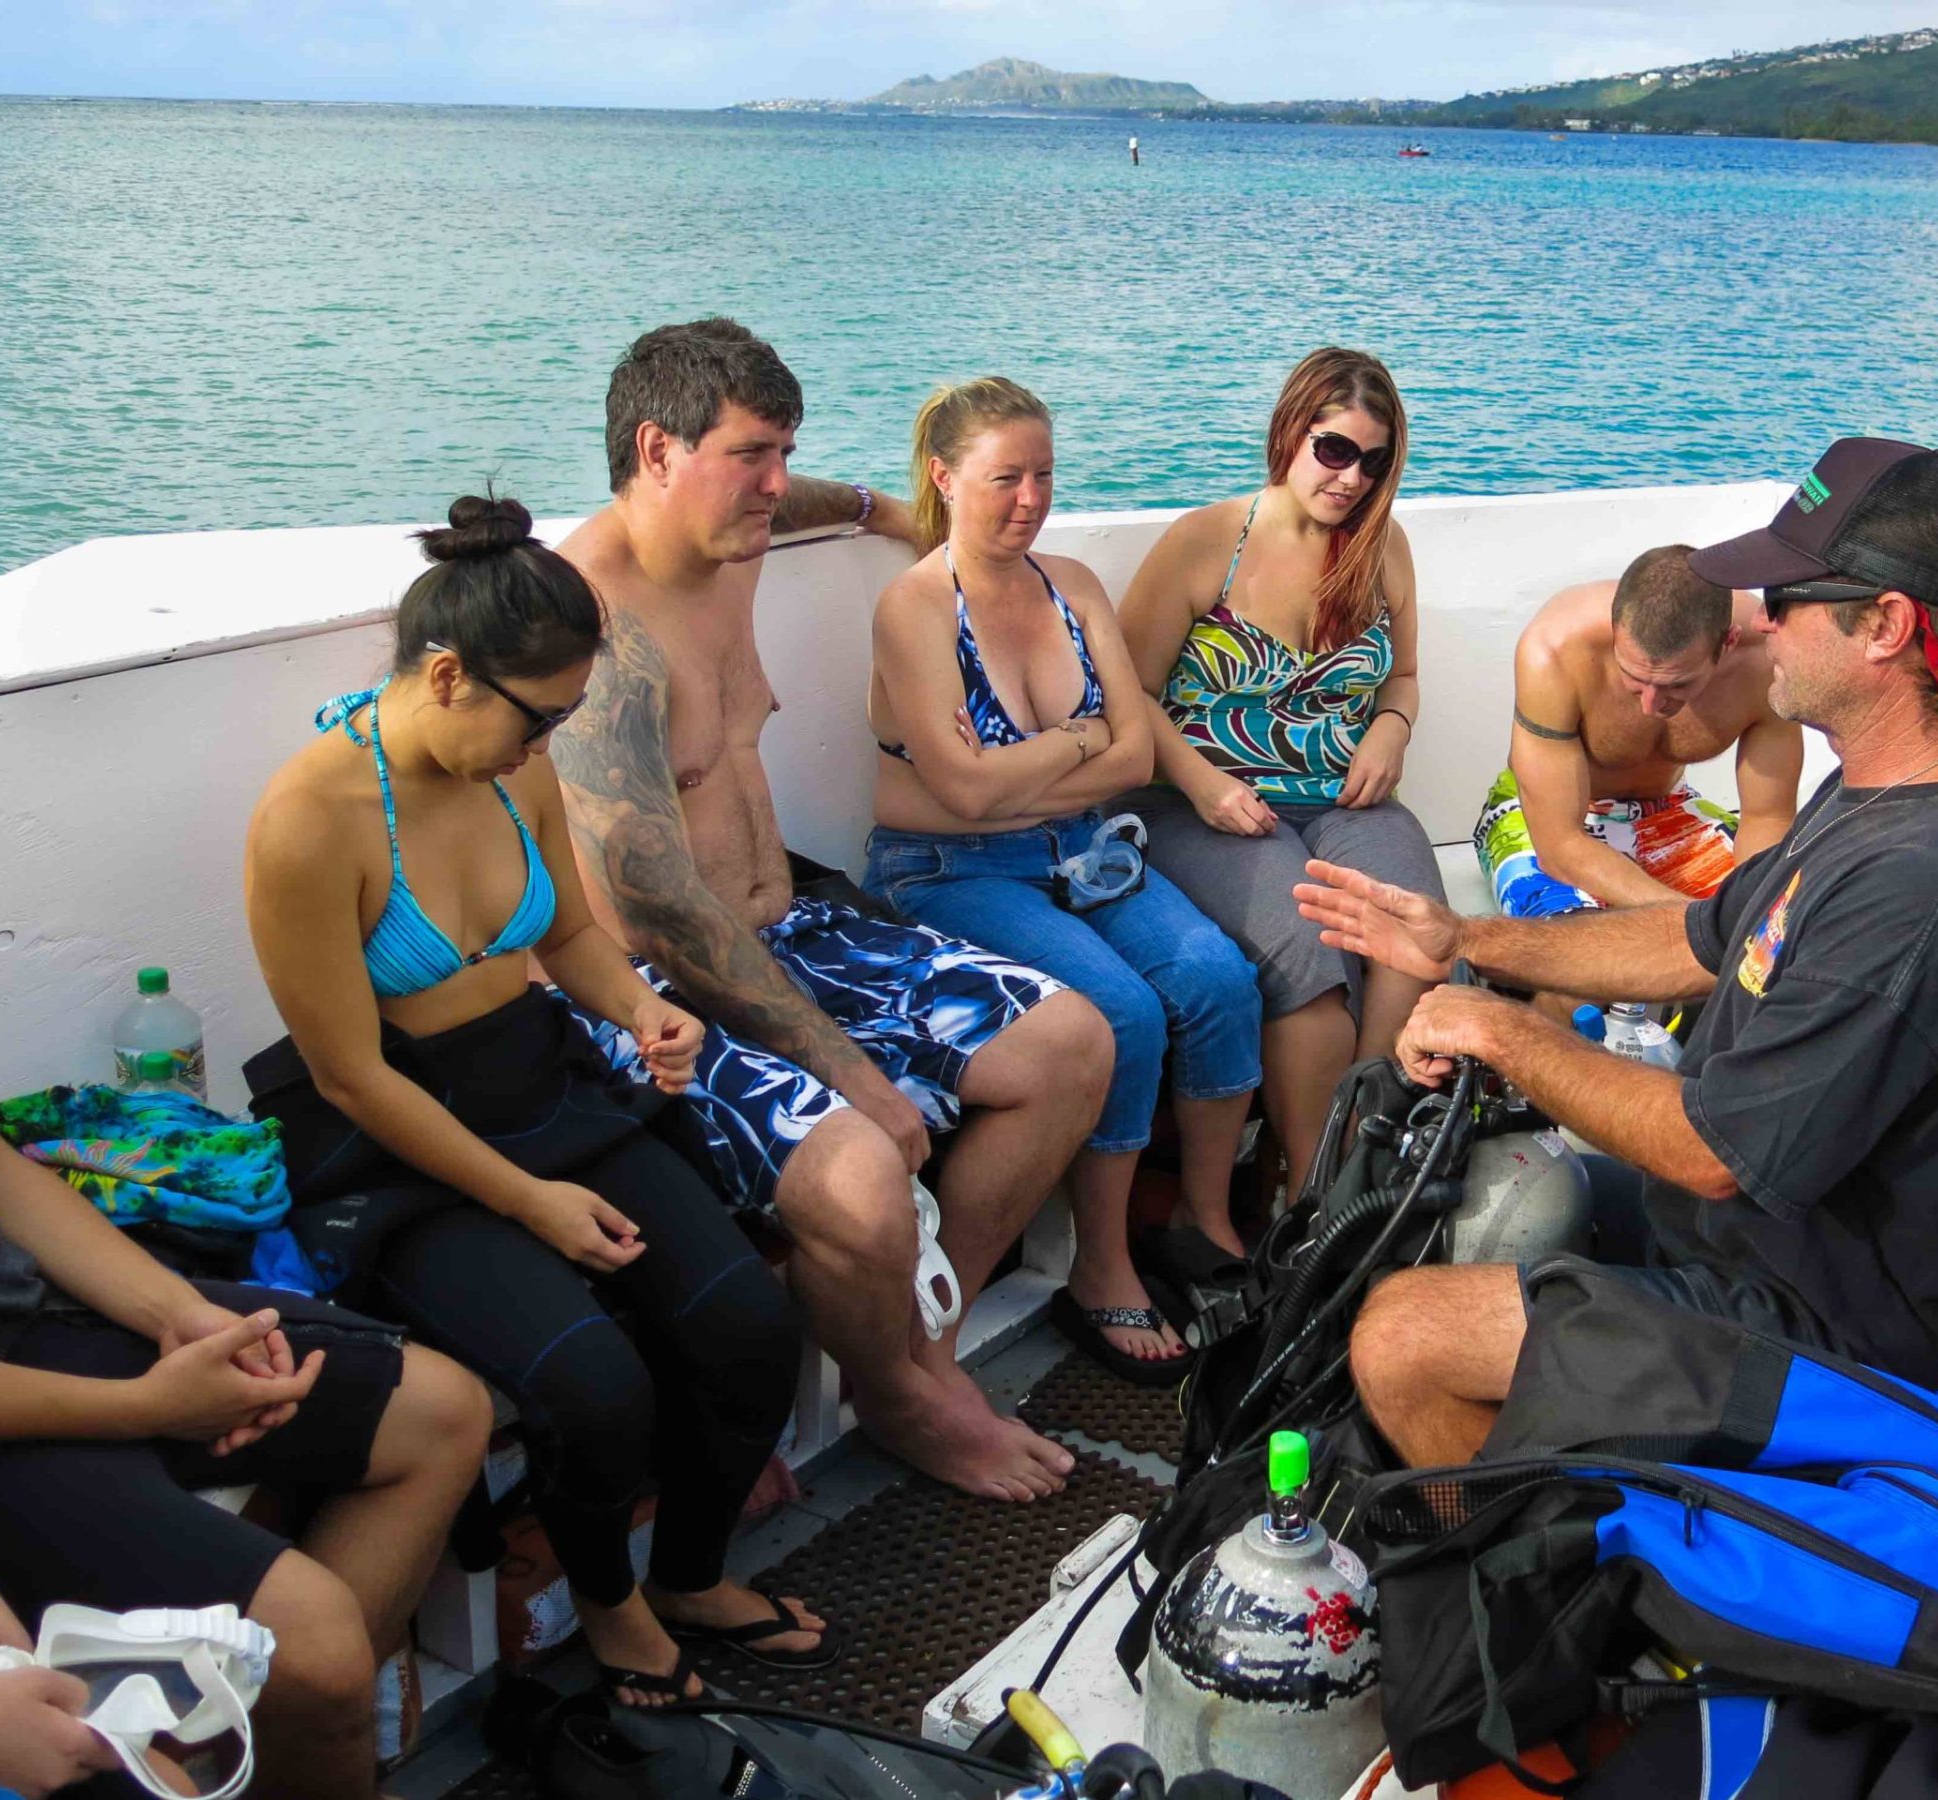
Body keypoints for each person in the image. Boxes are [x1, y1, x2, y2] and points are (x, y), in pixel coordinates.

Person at [1300, 438, 1938, 1467]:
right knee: (1455, 1208)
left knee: (1403, 1337)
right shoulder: (1878, 786)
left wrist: (1501, 1031)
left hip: (1833, 1329)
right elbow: (1703, 936)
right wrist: (1464, 939)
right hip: (1762, 1248)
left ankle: (1544, 1548)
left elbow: (1714, 1152)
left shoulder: (1924, 880)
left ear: (1885, 626)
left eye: (1786, 597)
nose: (1761, 622)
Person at [245, 495, 826, 1710]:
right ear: (448, 676)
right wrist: (529, 1202)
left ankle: (691, 1576)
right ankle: (612, 1608)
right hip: (396, 1141)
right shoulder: (307, 823)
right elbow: (350, 1074)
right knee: (594, 1386)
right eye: (539, 717)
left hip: (536, 1079)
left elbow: (564, 936)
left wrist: (642, 1010)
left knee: (749, 1329)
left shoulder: (518, 773)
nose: (545, 744)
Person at [548, 320, 1111, 1503]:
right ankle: (899, 1399)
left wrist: (872, 506)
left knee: (1071, 1045)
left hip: (794, 927)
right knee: (862, 1170)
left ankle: (917, 1349)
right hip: (654, 990)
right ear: (656, 451)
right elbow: (656, 912)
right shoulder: (590, 628)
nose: (773, 485)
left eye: (784, 454)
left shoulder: (730, 539)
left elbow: (794, 499)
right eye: (751, 456)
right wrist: (850, 1073)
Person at [862, 378, 1261, 1379]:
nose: (1031, 498)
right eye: (1006, 478)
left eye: (1044, 474)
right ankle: (1102, 1266)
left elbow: (1135, 757)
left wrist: (1018, 774)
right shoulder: (916, 608)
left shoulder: (1072, 586)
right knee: (1123, 1011)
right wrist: (1077, 741)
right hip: (949, 869)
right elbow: (958, 796)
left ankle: (1205, 1224)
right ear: (944, 478)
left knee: (1217, 978)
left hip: (1083, 846)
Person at [0, 1131, 490, 1800]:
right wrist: (146, 1407)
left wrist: (181, 1315)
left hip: (33, 1323)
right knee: (317, 1645)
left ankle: (282, 1746)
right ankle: (306, 1729)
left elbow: (3, 1175)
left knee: (441, 1411)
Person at [1117, 348, 1442, 1213]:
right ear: (1291, 432)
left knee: (1413, 934)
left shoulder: (1381, 546)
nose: (1351, 478)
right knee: (1310, 959)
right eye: (1335, 450)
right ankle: (1309, 1196)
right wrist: (1203, 785)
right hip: (1201, 803)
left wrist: (1391, 729)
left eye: (1373, 461)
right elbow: (1128, 692)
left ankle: (1351, 1162)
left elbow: (1404, 677)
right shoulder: (1206, 542)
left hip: (1344, 796)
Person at [1474, 544, 1803, 920]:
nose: (1651, 705)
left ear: (1727, 643)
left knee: (1784, 925)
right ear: (1616, 633)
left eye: (1677, 685)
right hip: (1542, 818)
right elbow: (1559, 845)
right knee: (1581, 946)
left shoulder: (1766, 658)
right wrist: (1698, 925)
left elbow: (1767, 818)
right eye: (1633, 677)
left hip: (1672, 808)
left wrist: (1755, 918)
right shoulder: (1555, 649)